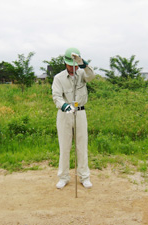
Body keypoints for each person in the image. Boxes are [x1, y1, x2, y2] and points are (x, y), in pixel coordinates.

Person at [52, 47, 95, 189]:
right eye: (70, 65)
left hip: (80, 113)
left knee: (82, 146)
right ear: (65, 63)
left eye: (75, 65)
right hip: (65, 114)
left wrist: (83, 64)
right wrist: (64, 106)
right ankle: (63, 177)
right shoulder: (58, 78)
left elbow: (91, 76)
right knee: (65, 146)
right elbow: (56, 96)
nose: (72, 68)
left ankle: (84, 177)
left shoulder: (83, 73)